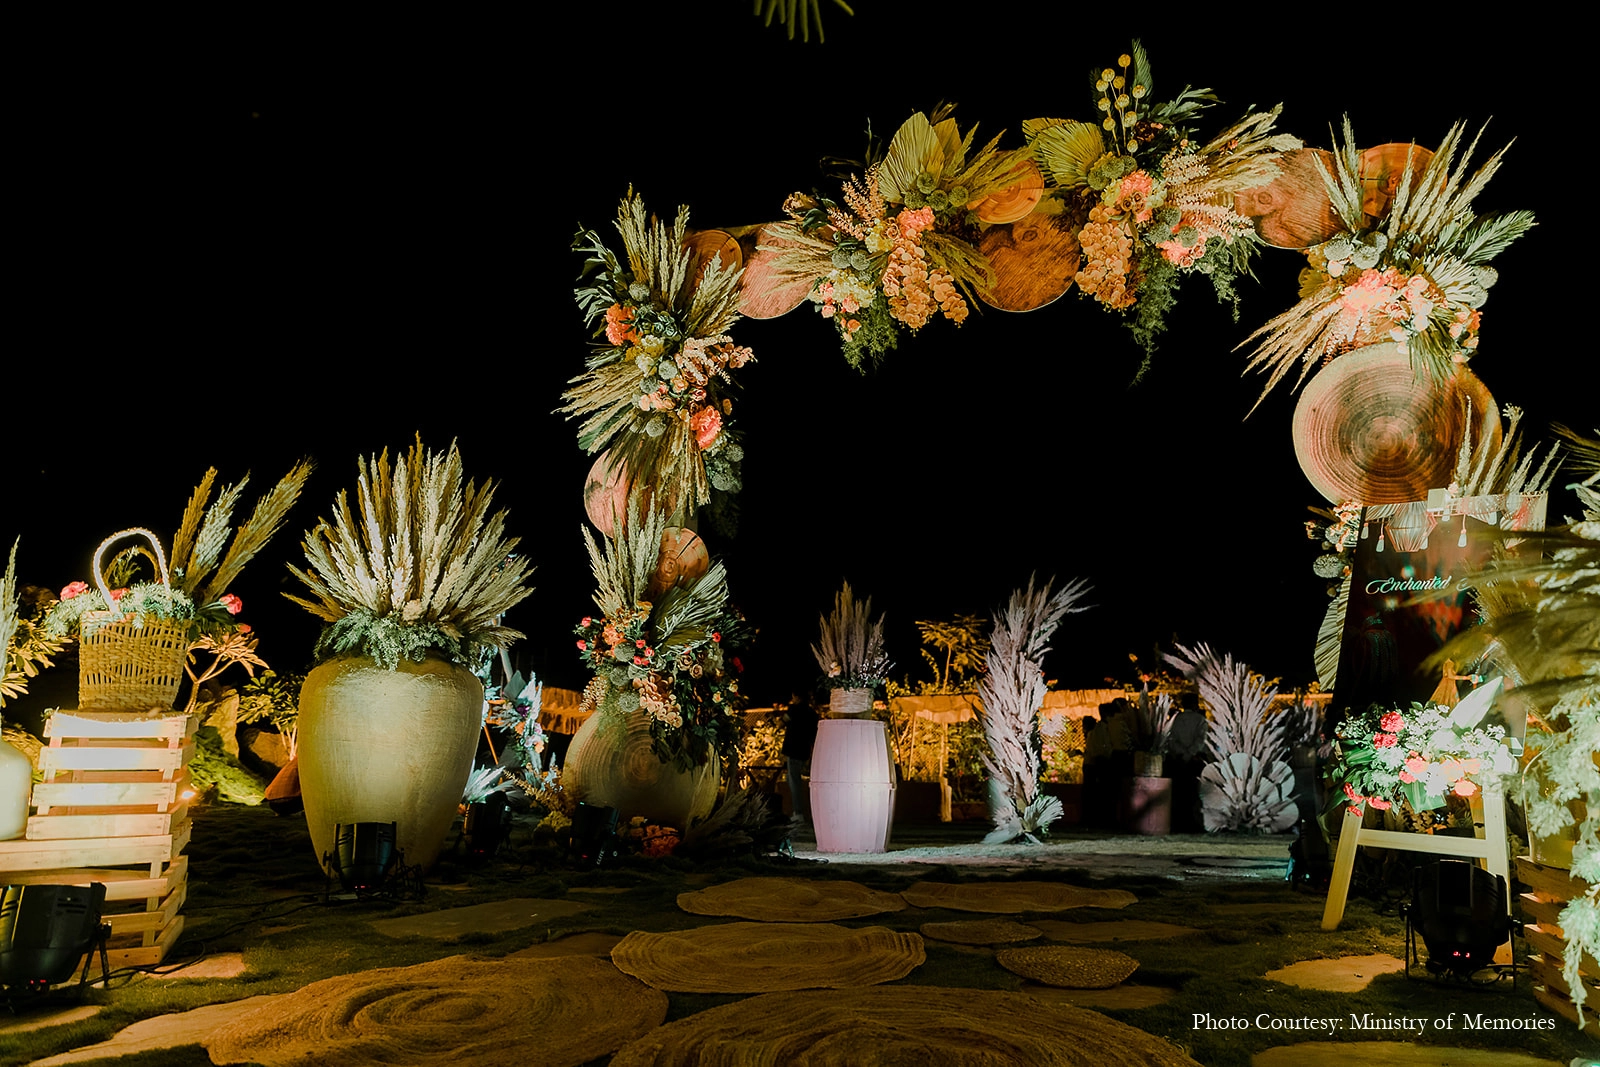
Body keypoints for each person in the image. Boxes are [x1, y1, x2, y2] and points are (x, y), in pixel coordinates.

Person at [781, 694, 819, 823]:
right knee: (799, 780)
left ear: (797, 697)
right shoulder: (812, 713)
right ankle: (811, 811)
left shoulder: (793, 710)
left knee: (794, 781)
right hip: (804, 750)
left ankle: (798, 812)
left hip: (792, 750)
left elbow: (783, 721)